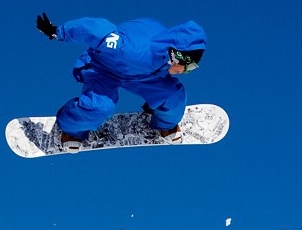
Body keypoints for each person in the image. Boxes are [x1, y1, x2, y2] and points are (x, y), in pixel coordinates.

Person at [36, 12, 206, 150]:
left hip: (144, 77)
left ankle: (165, 124)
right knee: (99, 106)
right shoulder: (130, 49)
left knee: (173, 95)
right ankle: (72, 129)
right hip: (105, 69)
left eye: (192, 68)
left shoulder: (165, 60)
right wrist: (58, 32)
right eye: (187, 66)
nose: (185, 72)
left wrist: (156, 102)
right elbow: (96, 30)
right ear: (176, 56)